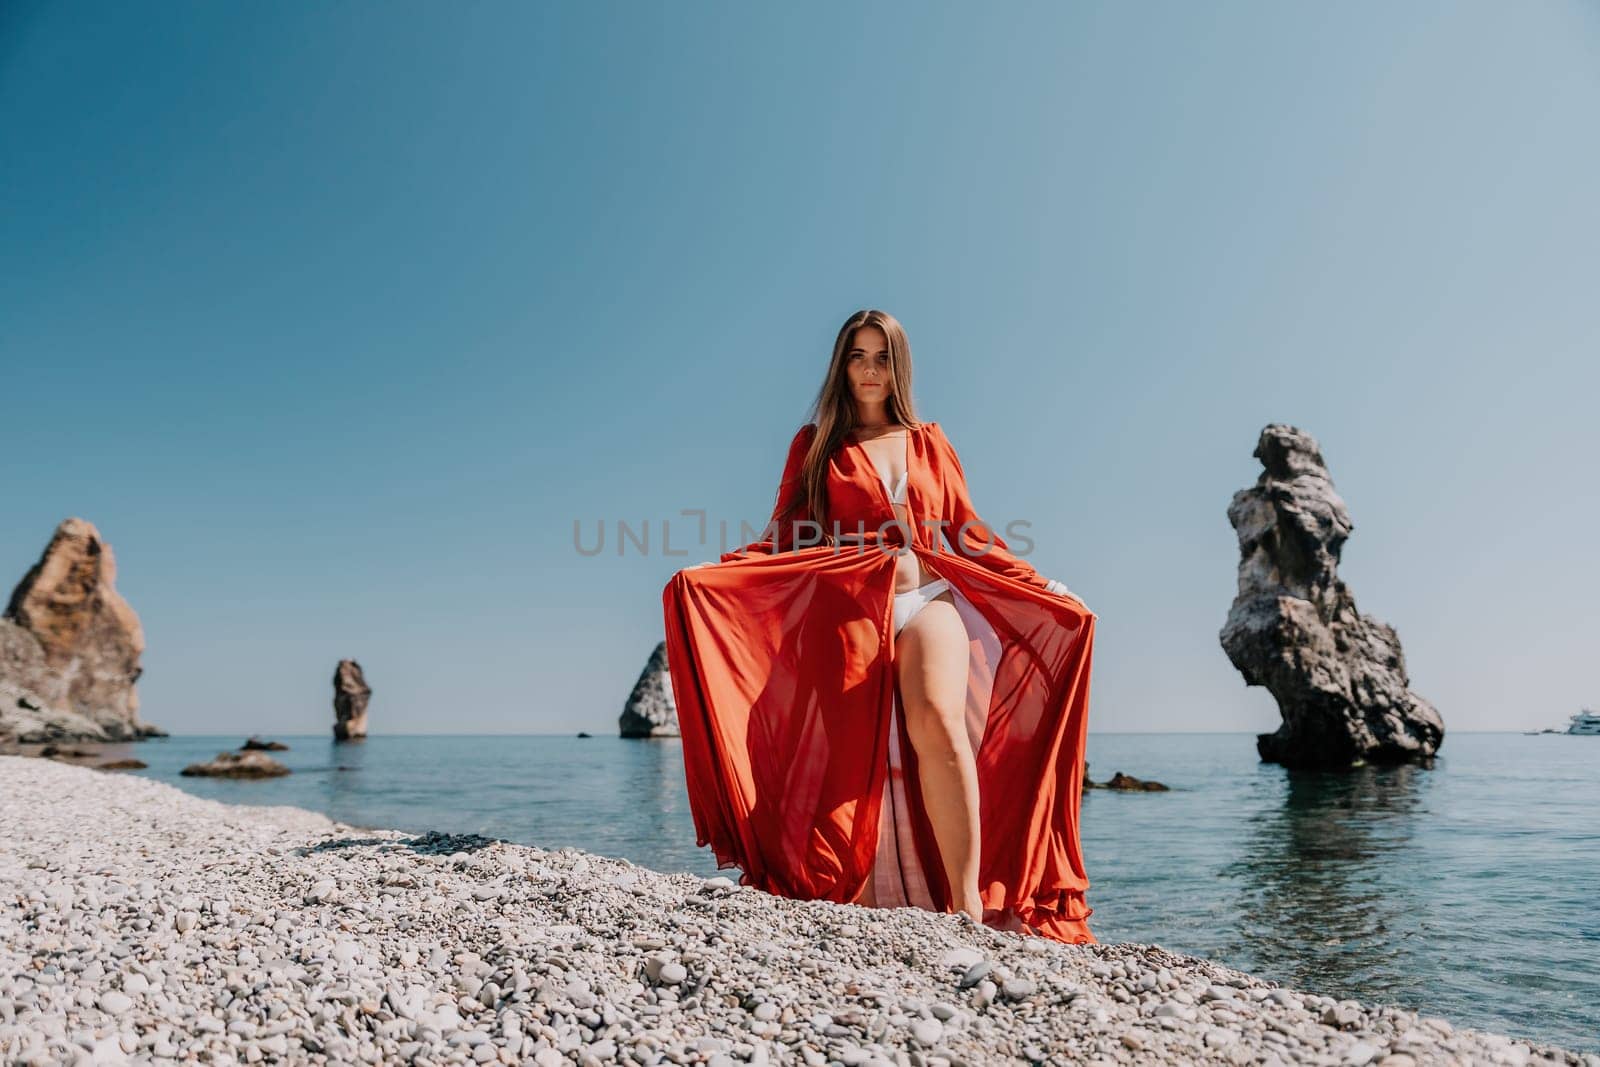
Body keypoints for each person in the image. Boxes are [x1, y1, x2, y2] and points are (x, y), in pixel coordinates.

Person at [661, 308, 1098, 943]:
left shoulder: (930, 442)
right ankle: (844, 888)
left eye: (882, 357)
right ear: (841, 364)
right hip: (848, 612)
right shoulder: (815, 446)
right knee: (843, 755)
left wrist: (1045, 585)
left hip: (929, 597)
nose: (869, 369)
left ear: (899, 368)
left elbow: (968, 533)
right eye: (858, 356)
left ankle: (968, 906)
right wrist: (716, 571)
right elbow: (785, 534)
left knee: (938, 723)